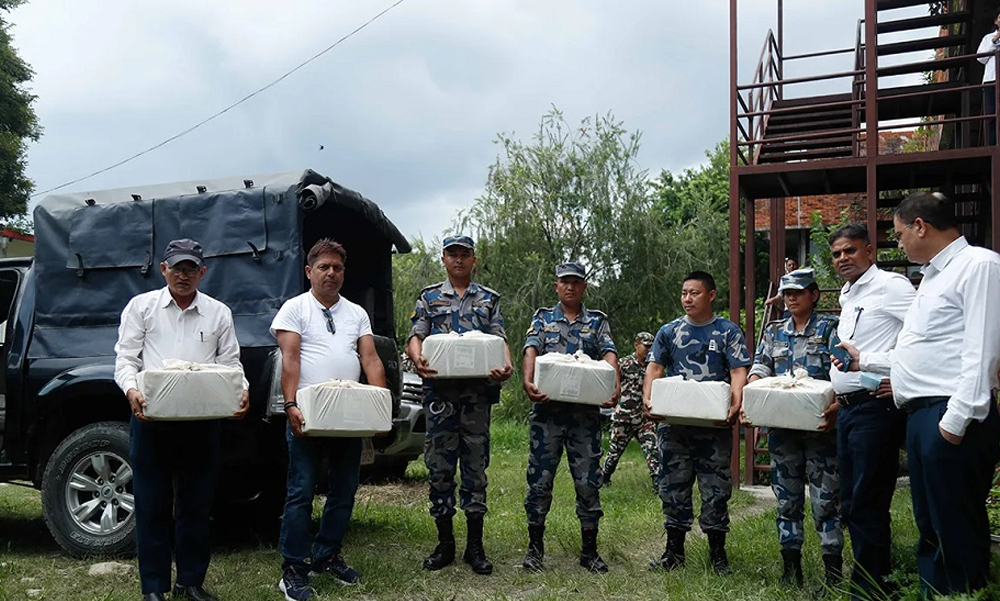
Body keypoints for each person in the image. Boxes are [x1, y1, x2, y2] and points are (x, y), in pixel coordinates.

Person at [840, 192, 1000, 596]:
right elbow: (925, 350)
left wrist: (957, 419)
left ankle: (964, 593)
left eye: (898, 235)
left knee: (955, 525)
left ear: (920, 226)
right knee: (930, 525)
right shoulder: (932, 277)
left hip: (949, 412)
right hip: (921, 414)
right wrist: (868, 362)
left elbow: (982, 350)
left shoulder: (978, 266)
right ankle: (935, 593)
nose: (900, 244)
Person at [114, 238, 249, 601]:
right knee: (151, 504)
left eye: (191, 269)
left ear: (202, 272)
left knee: (197, 506)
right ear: (164, 270)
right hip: (151, 419)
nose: (183, 275)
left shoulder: (219, 313)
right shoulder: (142, 307)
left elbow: (231, 363)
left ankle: (190, 582)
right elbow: (126, 359)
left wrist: (242, 389)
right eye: (177, 268)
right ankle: (153, 588)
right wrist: (131, 390)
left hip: (201, 420)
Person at [272, 238, 388, 601]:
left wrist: (380, 404)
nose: (331, 273)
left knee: (344, 490)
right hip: (308, 413)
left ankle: (327, 554)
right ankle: (293, 567)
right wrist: (290, 404)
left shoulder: (356, 313)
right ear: (309, 271)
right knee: (301, 492)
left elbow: (370, 359)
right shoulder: (295, 308)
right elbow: (290, 359)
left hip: (348, 416)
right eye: (324, 267)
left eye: (337, 268)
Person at [407, 235, 514, 576]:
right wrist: (417, 359)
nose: (458, 260)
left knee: (475, 469)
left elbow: (500, 340)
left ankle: (475, 547)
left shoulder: (488, 299)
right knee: (439, 469)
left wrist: (506, 366)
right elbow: (416, 336)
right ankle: (444, 544)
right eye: (452, 254)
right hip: (440, 397)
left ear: (473, 260)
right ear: (444, 259)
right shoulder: (429, 297)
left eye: (464, 254)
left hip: (476, 399)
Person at [642, 270, 750, 575]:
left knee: (715, 490)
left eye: (695, 293)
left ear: (711, 295)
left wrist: (736, 402)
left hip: (713, 429)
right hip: (675, 427)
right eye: (684, 293)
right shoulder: (669, 331)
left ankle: (718, 555)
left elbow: (739, 371)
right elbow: (654, 368)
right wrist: (649, 399)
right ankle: (673, 553)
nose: (688, 298)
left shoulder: (727, 332)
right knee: (673, 487)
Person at [827, 223, 914, 600]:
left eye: (850, 251)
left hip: (876, 410)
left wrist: (902, 379)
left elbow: (925, 338)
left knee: (866, 502)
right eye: (836, 254)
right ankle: (873, 581)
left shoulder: (892, 288)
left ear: (869, 251)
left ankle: (871, 590)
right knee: (853, 502)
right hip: (848, 411)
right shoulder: (850, 294)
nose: (843, 259)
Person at [745, 268, 843, 588]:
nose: (790, 298)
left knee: (825, 499)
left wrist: (839, 405)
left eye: (797, 292)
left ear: (813, 295)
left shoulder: (831, 328)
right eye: (787, 293)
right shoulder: (774, 331)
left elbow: (843, 374)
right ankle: (791, 569)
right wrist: (754, 393)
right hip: (783, 431)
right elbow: (760, 367)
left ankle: (832, 571)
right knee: (787, 500)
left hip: (820, 430)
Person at [521, 262, 619, 573]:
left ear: (584, 286)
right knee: (539, 482)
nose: (570, 287)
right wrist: (528, 381)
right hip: (547, 414)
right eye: (565, 282)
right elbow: (531, 349)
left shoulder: (597, 321)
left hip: (584, 418)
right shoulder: (543, 318)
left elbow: (609, 354)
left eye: (576, 282)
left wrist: (613, 384)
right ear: (556, 286)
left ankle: (589, 552)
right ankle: (535, 549)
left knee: (589, 483)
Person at [601, 331, 661, 490]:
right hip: (624, 418)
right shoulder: (625, 363)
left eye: (651, 347)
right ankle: (604, 477)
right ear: (636, 345)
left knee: (652, 448)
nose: (648, 350)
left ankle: (658, 483)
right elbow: (611, 383)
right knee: (614, 453)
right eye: (645, 346)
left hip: (644, 419)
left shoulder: (653, 366)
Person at [977, 8, 1000, 145]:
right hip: (991, 79)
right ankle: (993, 144)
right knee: (992, 114)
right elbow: (981, 58)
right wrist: (994, 41)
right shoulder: (987, 38)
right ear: (996, 20)